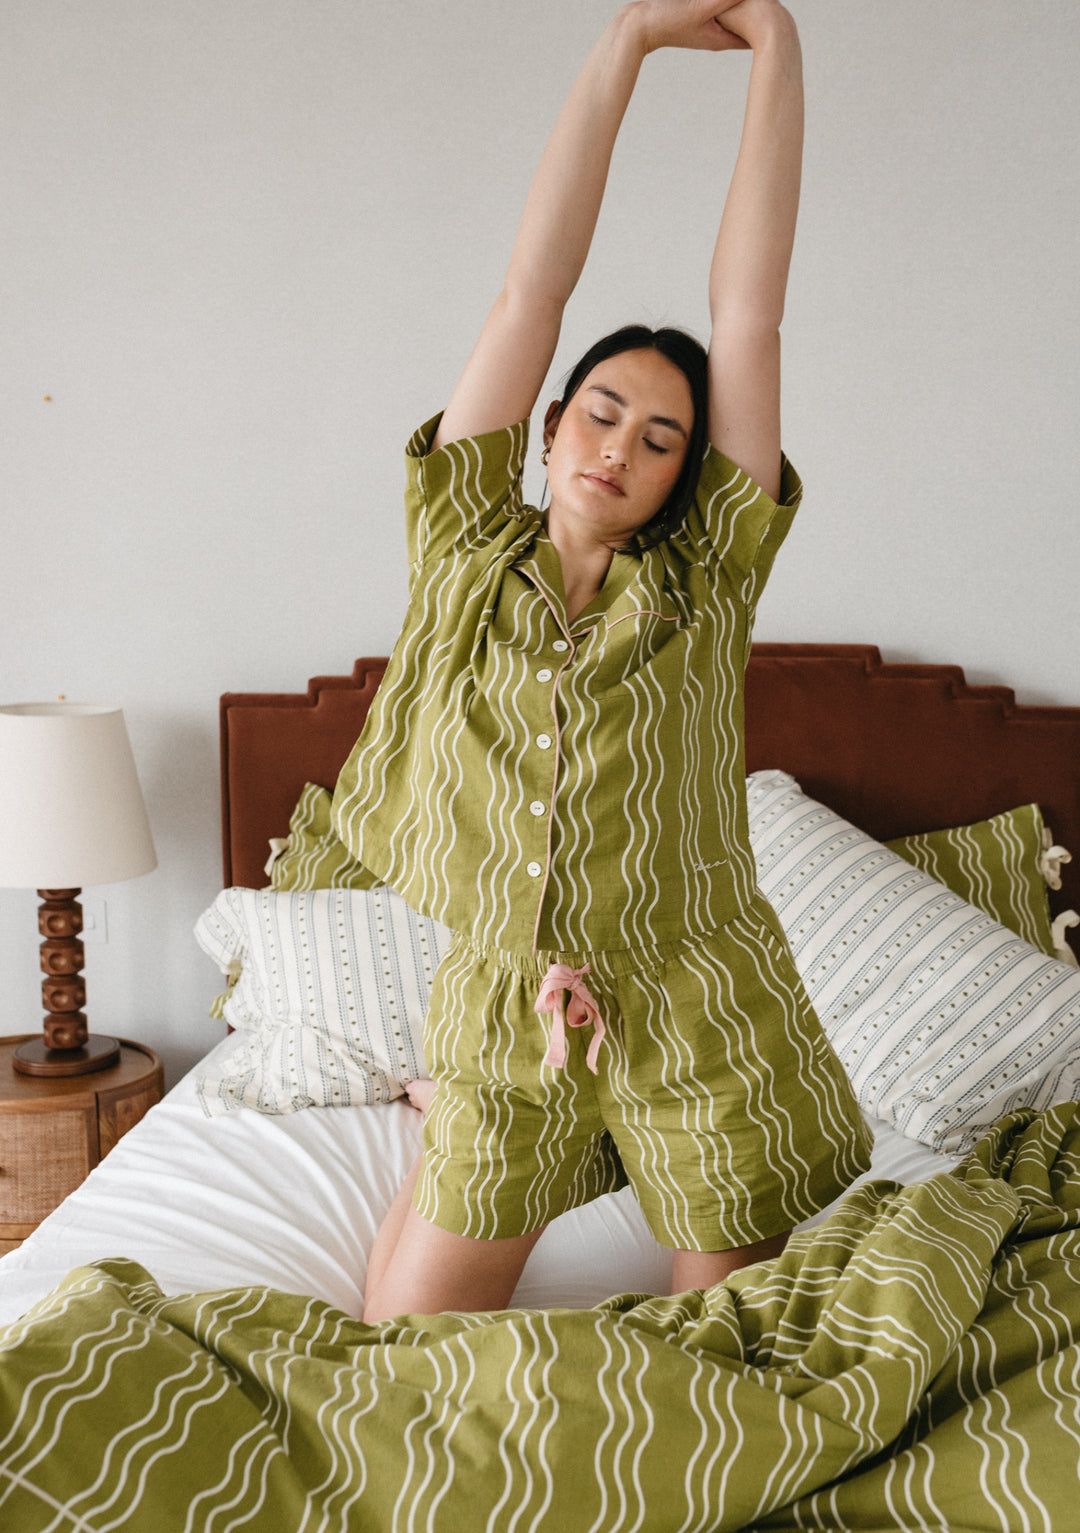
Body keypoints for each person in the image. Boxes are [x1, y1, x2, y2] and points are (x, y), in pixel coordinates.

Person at [332, 0, 873, 1324]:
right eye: (602, 410)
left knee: (740, 1362)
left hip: (700, 1005)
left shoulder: (707, 583)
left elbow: (748, 315)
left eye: (662, 438)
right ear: (554, 418)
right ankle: (450, 1111)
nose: (619, 446)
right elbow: (536, 286)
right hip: (506, 1013)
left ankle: (641, 1140)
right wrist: (626, 40)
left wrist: (780, 48)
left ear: (688, 476)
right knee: (399, 1345)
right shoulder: (464, 544)